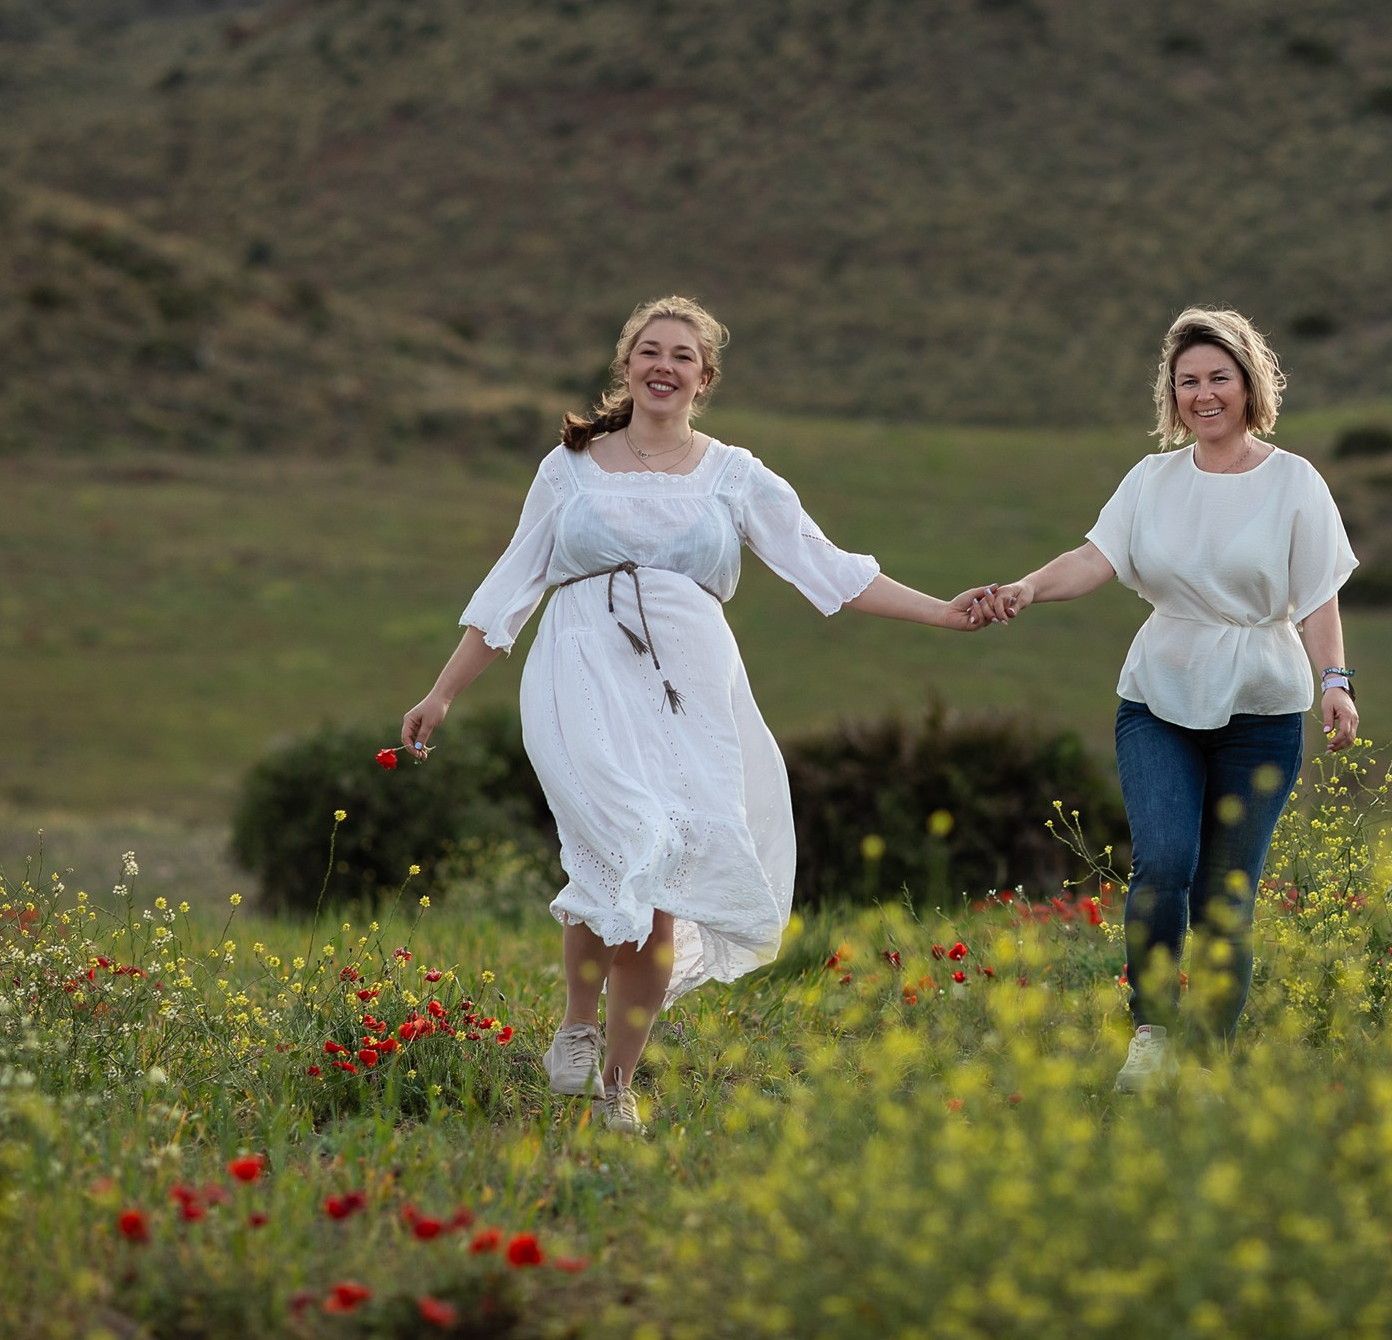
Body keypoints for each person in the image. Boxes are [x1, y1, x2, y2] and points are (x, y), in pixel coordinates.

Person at [401, 293, 982, 1134]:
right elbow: (510, 587)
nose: (663, 366)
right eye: (649, 350)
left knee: (662, 874)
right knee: (616, 845)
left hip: (690, 681)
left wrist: (944, 612)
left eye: (681, 355)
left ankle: (617, 1084)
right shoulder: (567, 466)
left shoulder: (734, 474)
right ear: (626, 365)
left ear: (702, 378)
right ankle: (574, 1016)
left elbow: (828, 567)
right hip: (578, 669)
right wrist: (442, 689)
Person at [965, 306, 1359, 1091]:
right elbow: (1094, 556)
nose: (1203, 394)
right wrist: (1027, 587)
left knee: (1226, 890)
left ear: (1249, 384)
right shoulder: (1152, 479)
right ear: (1170, 393)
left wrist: (1335, 683)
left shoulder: (1293, 481)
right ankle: (1152, 1033)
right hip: (1159, 695)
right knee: (1165, 861)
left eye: (1219, 377)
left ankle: (1208, 1055)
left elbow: (1317, 596)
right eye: (1187, 381)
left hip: (1262, 704)